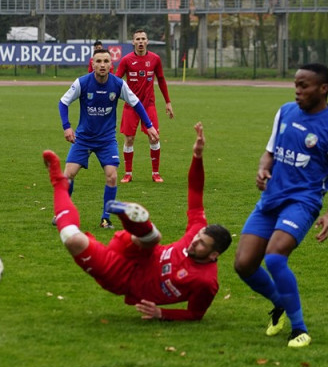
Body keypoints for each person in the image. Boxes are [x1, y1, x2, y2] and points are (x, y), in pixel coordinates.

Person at [43, 122, 231, 320]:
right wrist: (197, 156)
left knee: (72, 239)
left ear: (214, 255)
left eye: (202, 244)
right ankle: (136, 222)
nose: (195, 241)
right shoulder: (197, 232)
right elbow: (195, 191)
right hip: (138, 248)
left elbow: (195, 314)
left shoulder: (206, 282)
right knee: (153, 239)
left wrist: (161, 313)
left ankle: (60, 185)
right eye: (199, 236)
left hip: (124, 277)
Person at [233, 64, 328, 349]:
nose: (297, 91)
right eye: (296, 85)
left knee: (275, 258)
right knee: (244, 264)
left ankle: (299, 329)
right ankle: (280, 303)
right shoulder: (285, 112)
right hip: (271, 198)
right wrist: (263, 169)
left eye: (304, 86)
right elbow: (269, 153)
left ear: (323, 88)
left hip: (303, 202)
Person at [58, 48, 158, 228]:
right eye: (98, 61)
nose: (102, 65)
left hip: (106, 139)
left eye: (106, 61)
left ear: (111, 64)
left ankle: (106, 218)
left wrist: (149, 125)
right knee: (68, 175)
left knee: (112, 176)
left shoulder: (118, 84)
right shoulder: (82, 82)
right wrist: (67, 127)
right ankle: (63, 213)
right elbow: (63, 102)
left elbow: (136, 103)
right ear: (92, 64)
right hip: (84, 138)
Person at [116, 29, 174, 183]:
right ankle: (128, 173)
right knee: (129, 139)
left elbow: (161, 80)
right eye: (138, 39)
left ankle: (156, 173)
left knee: (154, 138)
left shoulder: (155, 59)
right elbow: (116, 80)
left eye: (143, 39)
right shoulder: (126, 60)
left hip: (149, 105)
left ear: (147, 41)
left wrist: (168, 102)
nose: (140, 42)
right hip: (131, 106)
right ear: (133, 42)